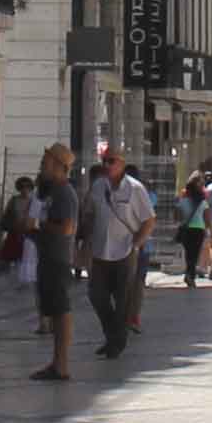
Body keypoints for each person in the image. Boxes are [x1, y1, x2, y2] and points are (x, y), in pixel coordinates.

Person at [7, 146, 81, 381]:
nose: (41, 165)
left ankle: (61, 365)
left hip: (58, 259)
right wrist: (29, 231)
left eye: (45, 162)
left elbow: (66, 228)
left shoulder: (64, 193)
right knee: (54, 311)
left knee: (61, 310)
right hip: (47, 255)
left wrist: (39, 225)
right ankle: (56, 363)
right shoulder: (50, 192)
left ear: (59, 166)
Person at [81, 148, 157, 360]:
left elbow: (149, 220)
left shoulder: (135, 188)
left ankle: (117, 341)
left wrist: (136, 244)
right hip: (99, 251)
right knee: (97, 295)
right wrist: (86, 239)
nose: (107, 165)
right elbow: (90, 213)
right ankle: (112, 334)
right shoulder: (98, 186)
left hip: (125, 252)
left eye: (111, 161)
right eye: (104, 161)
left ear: (122, 164)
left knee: (123, 299)